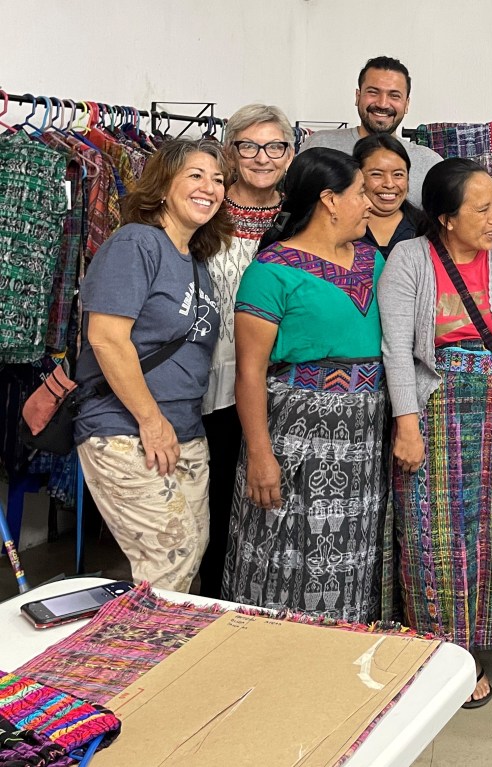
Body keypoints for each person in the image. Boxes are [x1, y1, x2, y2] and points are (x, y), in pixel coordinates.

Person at [380, 158, 492, 709]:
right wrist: (405, 423)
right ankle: (443, 654)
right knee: (433, 533)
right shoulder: (410, 257)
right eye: (482, 208)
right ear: (447, 217)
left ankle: (475, 648)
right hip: (433, 405)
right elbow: (397, 349)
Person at [222, 148, 391, 622]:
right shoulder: (270, 272)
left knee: (351, 552)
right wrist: (261, 455)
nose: (370, 202)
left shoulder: (372, 261)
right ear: (329, 200)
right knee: (282, 546)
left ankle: (340, 650)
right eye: (360, 192)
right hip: (295, 435)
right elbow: (249, 373)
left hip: (364, 437)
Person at [74, 138, 231, 592]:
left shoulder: (194, 259)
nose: (209, 188)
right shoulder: (135, 244)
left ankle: (156, 636)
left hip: (183, 430)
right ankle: (133, 639)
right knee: (169, 558)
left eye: (218, 180)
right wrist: (151, 421)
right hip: (127, 427)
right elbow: (106, 339)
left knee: (188, 557)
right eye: (195, 176)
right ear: (162, 185)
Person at [199, 103, 294, 598]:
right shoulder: (205, 212)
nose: (262, 157)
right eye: (249, 146)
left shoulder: (300, 216)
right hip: (212, 383)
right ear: (230, 151)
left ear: (290, 154)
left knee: (271, 504)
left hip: (283, 385)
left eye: (275, 146)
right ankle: (214, 602)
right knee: (216, 502)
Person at [301, 55, 442, 206]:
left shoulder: (429, 164)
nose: (382, 104)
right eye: (373, 92)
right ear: (358, 96)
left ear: (407, 104)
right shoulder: (320, 145)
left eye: (394, 95)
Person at [352, 133, 426, 258]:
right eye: (377, 174)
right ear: (357, 177)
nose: (389, 184)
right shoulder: (342, 229)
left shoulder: (426, 228)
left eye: (398, 174)